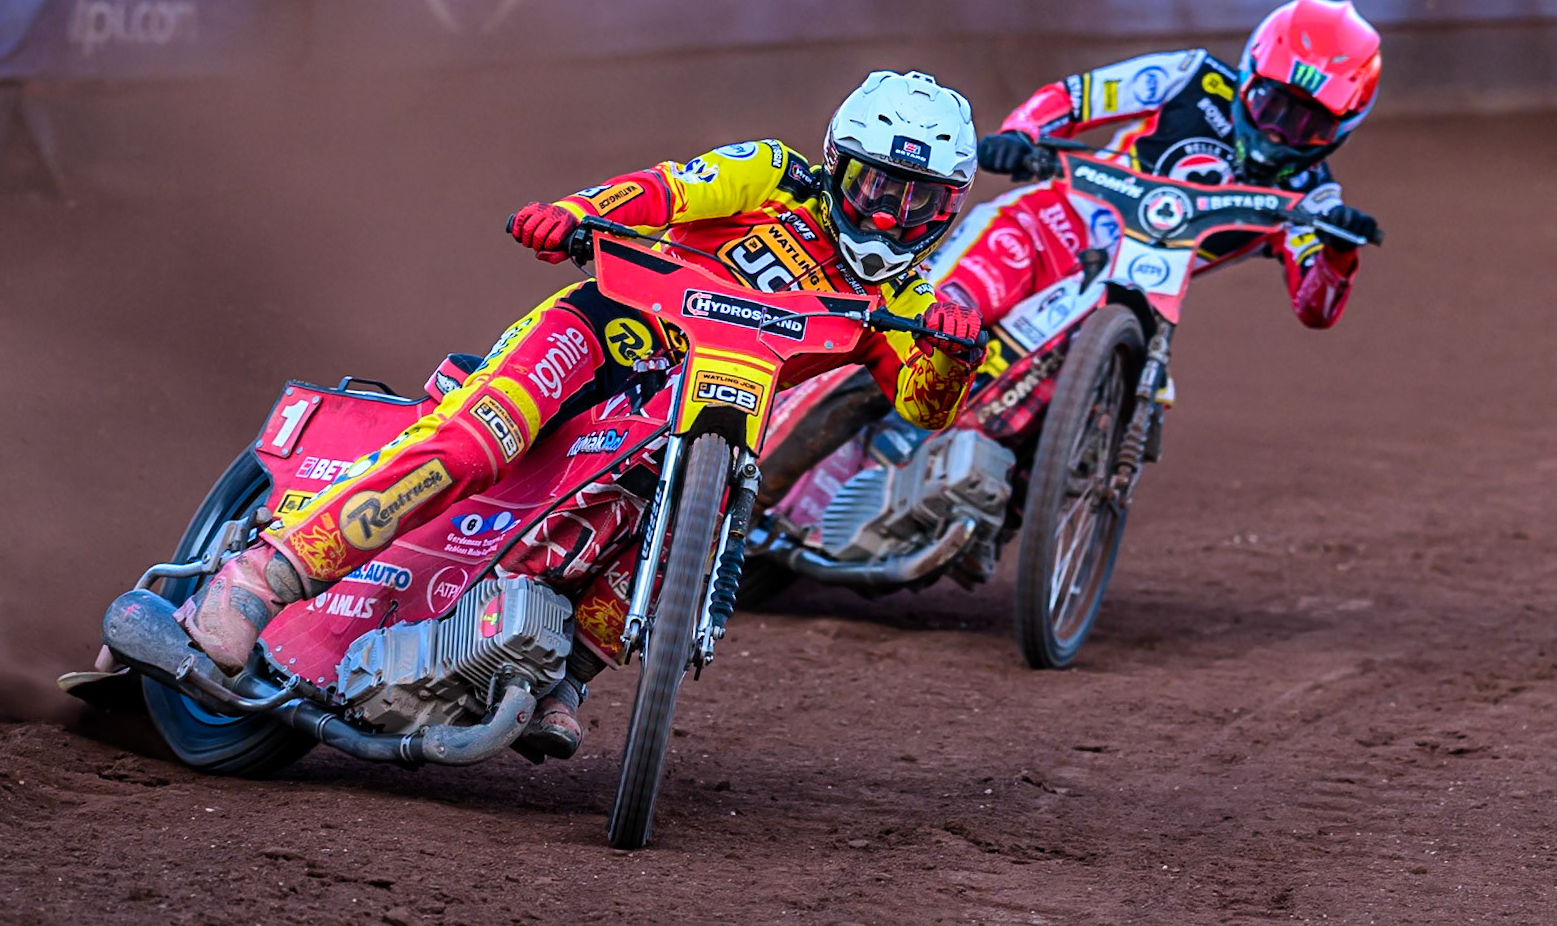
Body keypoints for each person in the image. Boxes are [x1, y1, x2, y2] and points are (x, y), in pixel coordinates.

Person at [181, 70, 988, 757]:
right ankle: (256, 582)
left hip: (705, 410)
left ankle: (564, 677)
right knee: (473, 445)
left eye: (919, 200)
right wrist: (576, 211)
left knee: (697, 524)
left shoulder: (908, 298)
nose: (891, 215)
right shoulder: (773, 174)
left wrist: (954, 349)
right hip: (603, 332)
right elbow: (667, 188)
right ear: (837, 165)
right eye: (877, 186)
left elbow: (923, 406)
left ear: (949, 208)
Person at [956, 0, 1382, 330]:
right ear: (1248, 74)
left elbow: (1315, 309)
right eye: (1271, 106)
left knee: (1147, 392)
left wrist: (1338, 253)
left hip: (1138, 300)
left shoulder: (1315, 201)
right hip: (1047, 227)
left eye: (1309, 126)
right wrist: (1020, 133)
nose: (1277, 134)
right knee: (946, 317)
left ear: (1342, 130)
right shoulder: (1190, 76)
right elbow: (1078, 98)